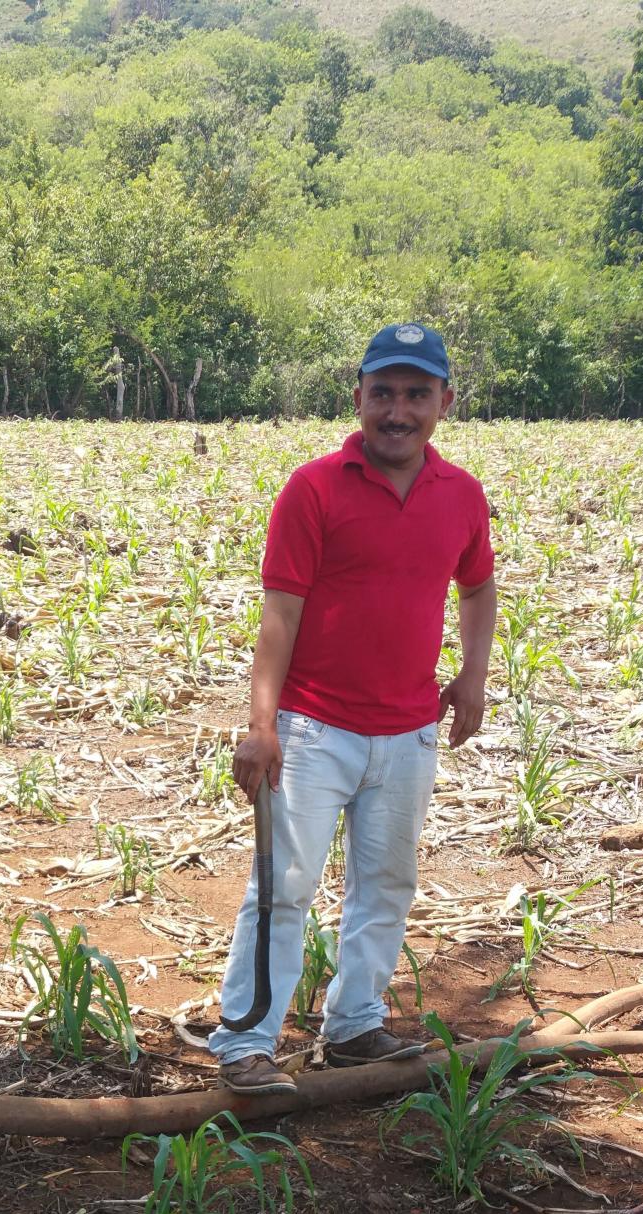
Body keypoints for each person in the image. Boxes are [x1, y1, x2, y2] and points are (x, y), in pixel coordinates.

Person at [211, 322, 496, 1093]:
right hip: (311, 727)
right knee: (284, 884)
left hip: (408, 730)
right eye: (382, 394)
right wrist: (261, 726)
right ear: (357, 398)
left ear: (443, 401)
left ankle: (354, 1024)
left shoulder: (460, 495)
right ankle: (245, 1042)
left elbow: (476, 586)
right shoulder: (313, 487)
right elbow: (279, 617)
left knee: (385, 881)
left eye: (413, 395)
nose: (396, 411)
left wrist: (471, 676)